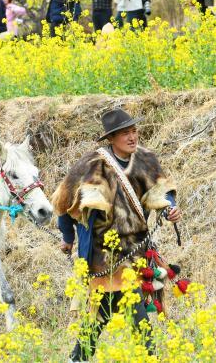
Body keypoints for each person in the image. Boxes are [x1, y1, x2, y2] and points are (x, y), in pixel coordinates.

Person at [52, 109, 182, 362]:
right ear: (111, 138)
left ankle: (77, 358)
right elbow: (64, 204)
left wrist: (170, 209)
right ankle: (148, 356)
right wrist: (67, 238)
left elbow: (162, 191)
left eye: (134, 131)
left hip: (135, 251)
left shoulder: (145, 159)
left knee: (103, 311)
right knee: (128, 309)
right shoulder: (90, 166)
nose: (132, 137)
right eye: (125, 133)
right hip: (103, 255)